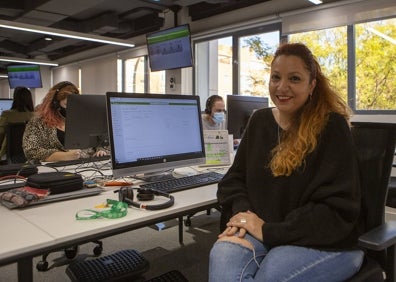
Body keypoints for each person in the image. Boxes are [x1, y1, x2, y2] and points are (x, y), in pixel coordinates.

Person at [208, 43, 364, 281]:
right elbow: (234, 180)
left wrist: (269, 231)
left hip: (325, 241)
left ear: (312, 85)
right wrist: (243, 216)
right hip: (261, 230)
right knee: (221, 257)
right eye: (275, 77)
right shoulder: (260, 120)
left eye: (294, 78)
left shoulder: (332, 126)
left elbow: (335, 211)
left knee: (271, 273)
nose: (282, 87)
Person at [23, 81, 109, 162]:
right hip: (53, 168)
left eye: (74, 105)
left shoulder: (85, 119)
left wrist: (101, 150)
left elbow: (102, 141)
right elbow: (31, 150)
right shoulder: (39, 122)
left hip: (87, 166)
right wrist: (65, 156)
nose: (70, 109)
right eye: (66, 105)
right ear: (55, 103)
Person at [0, 86, 35, 159]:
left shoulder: (7, 115)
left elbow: (0, 133)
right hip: (32, 156)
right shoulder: (36, 116)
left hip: (9, 156)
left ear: (15, 99)